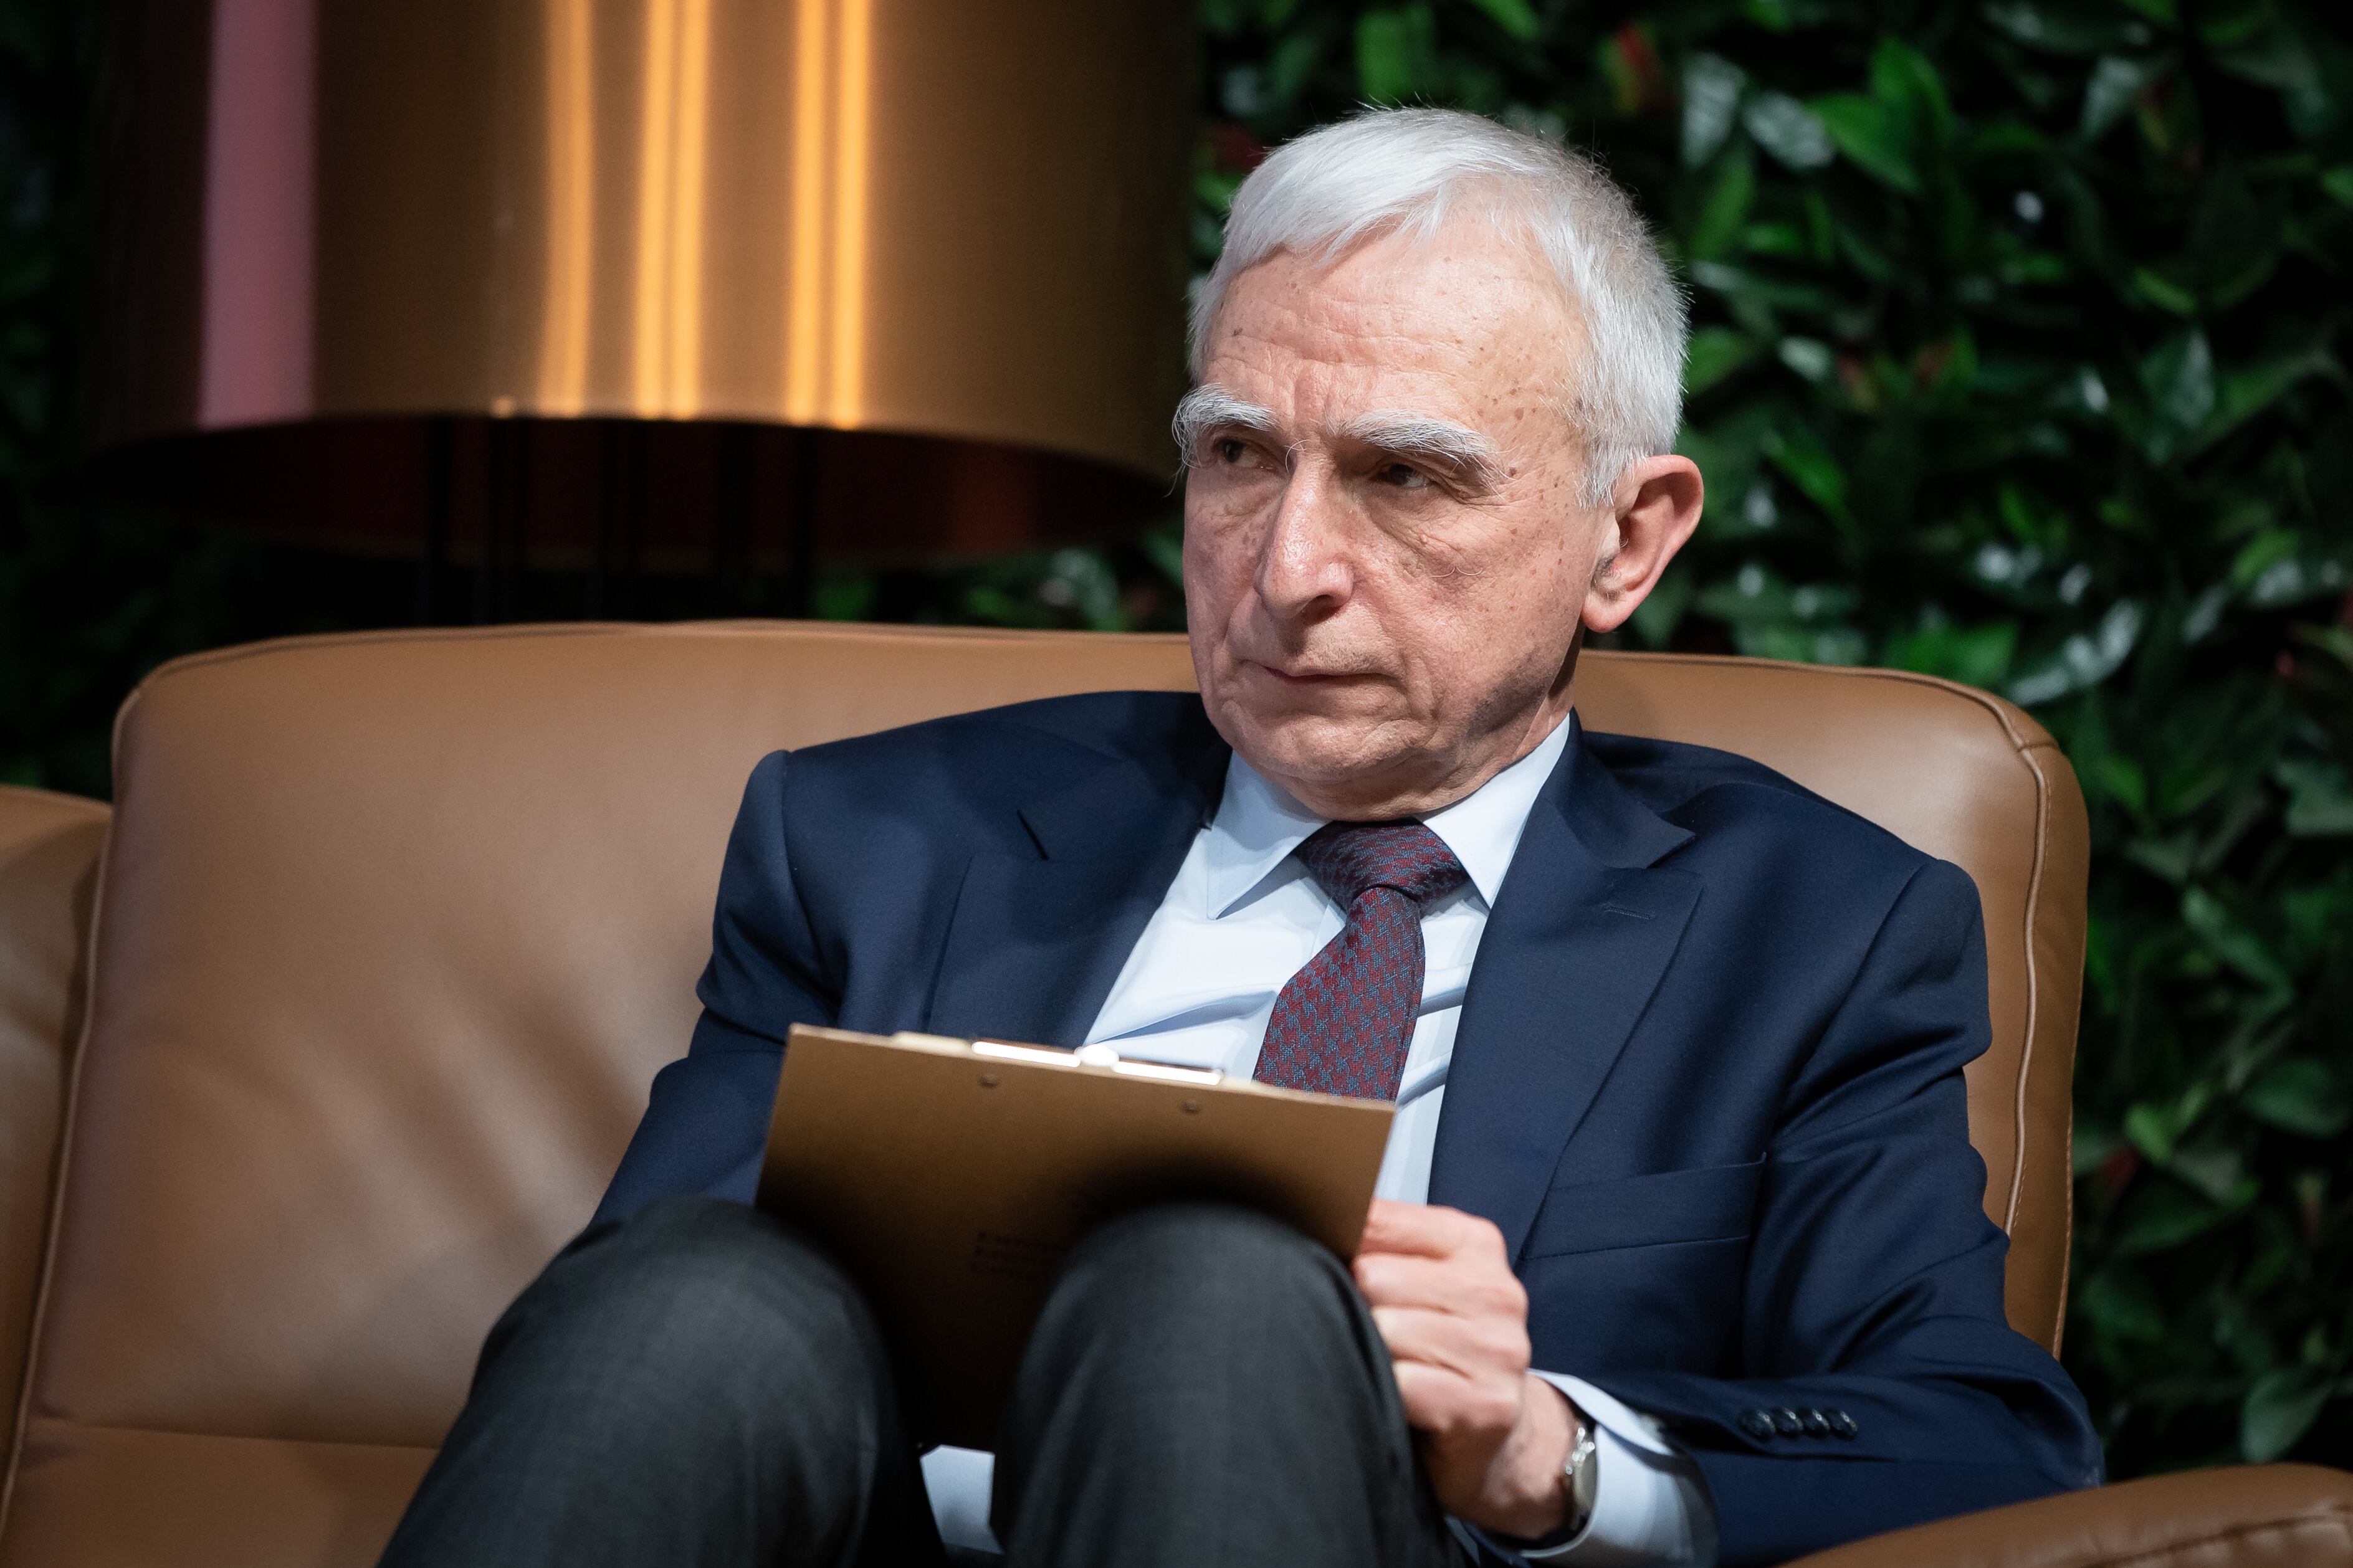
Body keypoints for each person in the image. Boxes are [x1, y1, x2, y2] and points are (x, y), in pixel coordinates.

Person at [379, 107, 2101, 1568]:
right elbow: (642, 1372)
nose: (1285, 571)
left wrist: (1551, 1453)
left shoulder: (1810, 931)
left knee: (1218, 1291)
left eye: (1406, 478)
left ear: (1627, 538)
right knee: (687, 1296)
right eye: (1236, 457)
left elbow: (1977, 1439)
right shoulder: (878, 838)